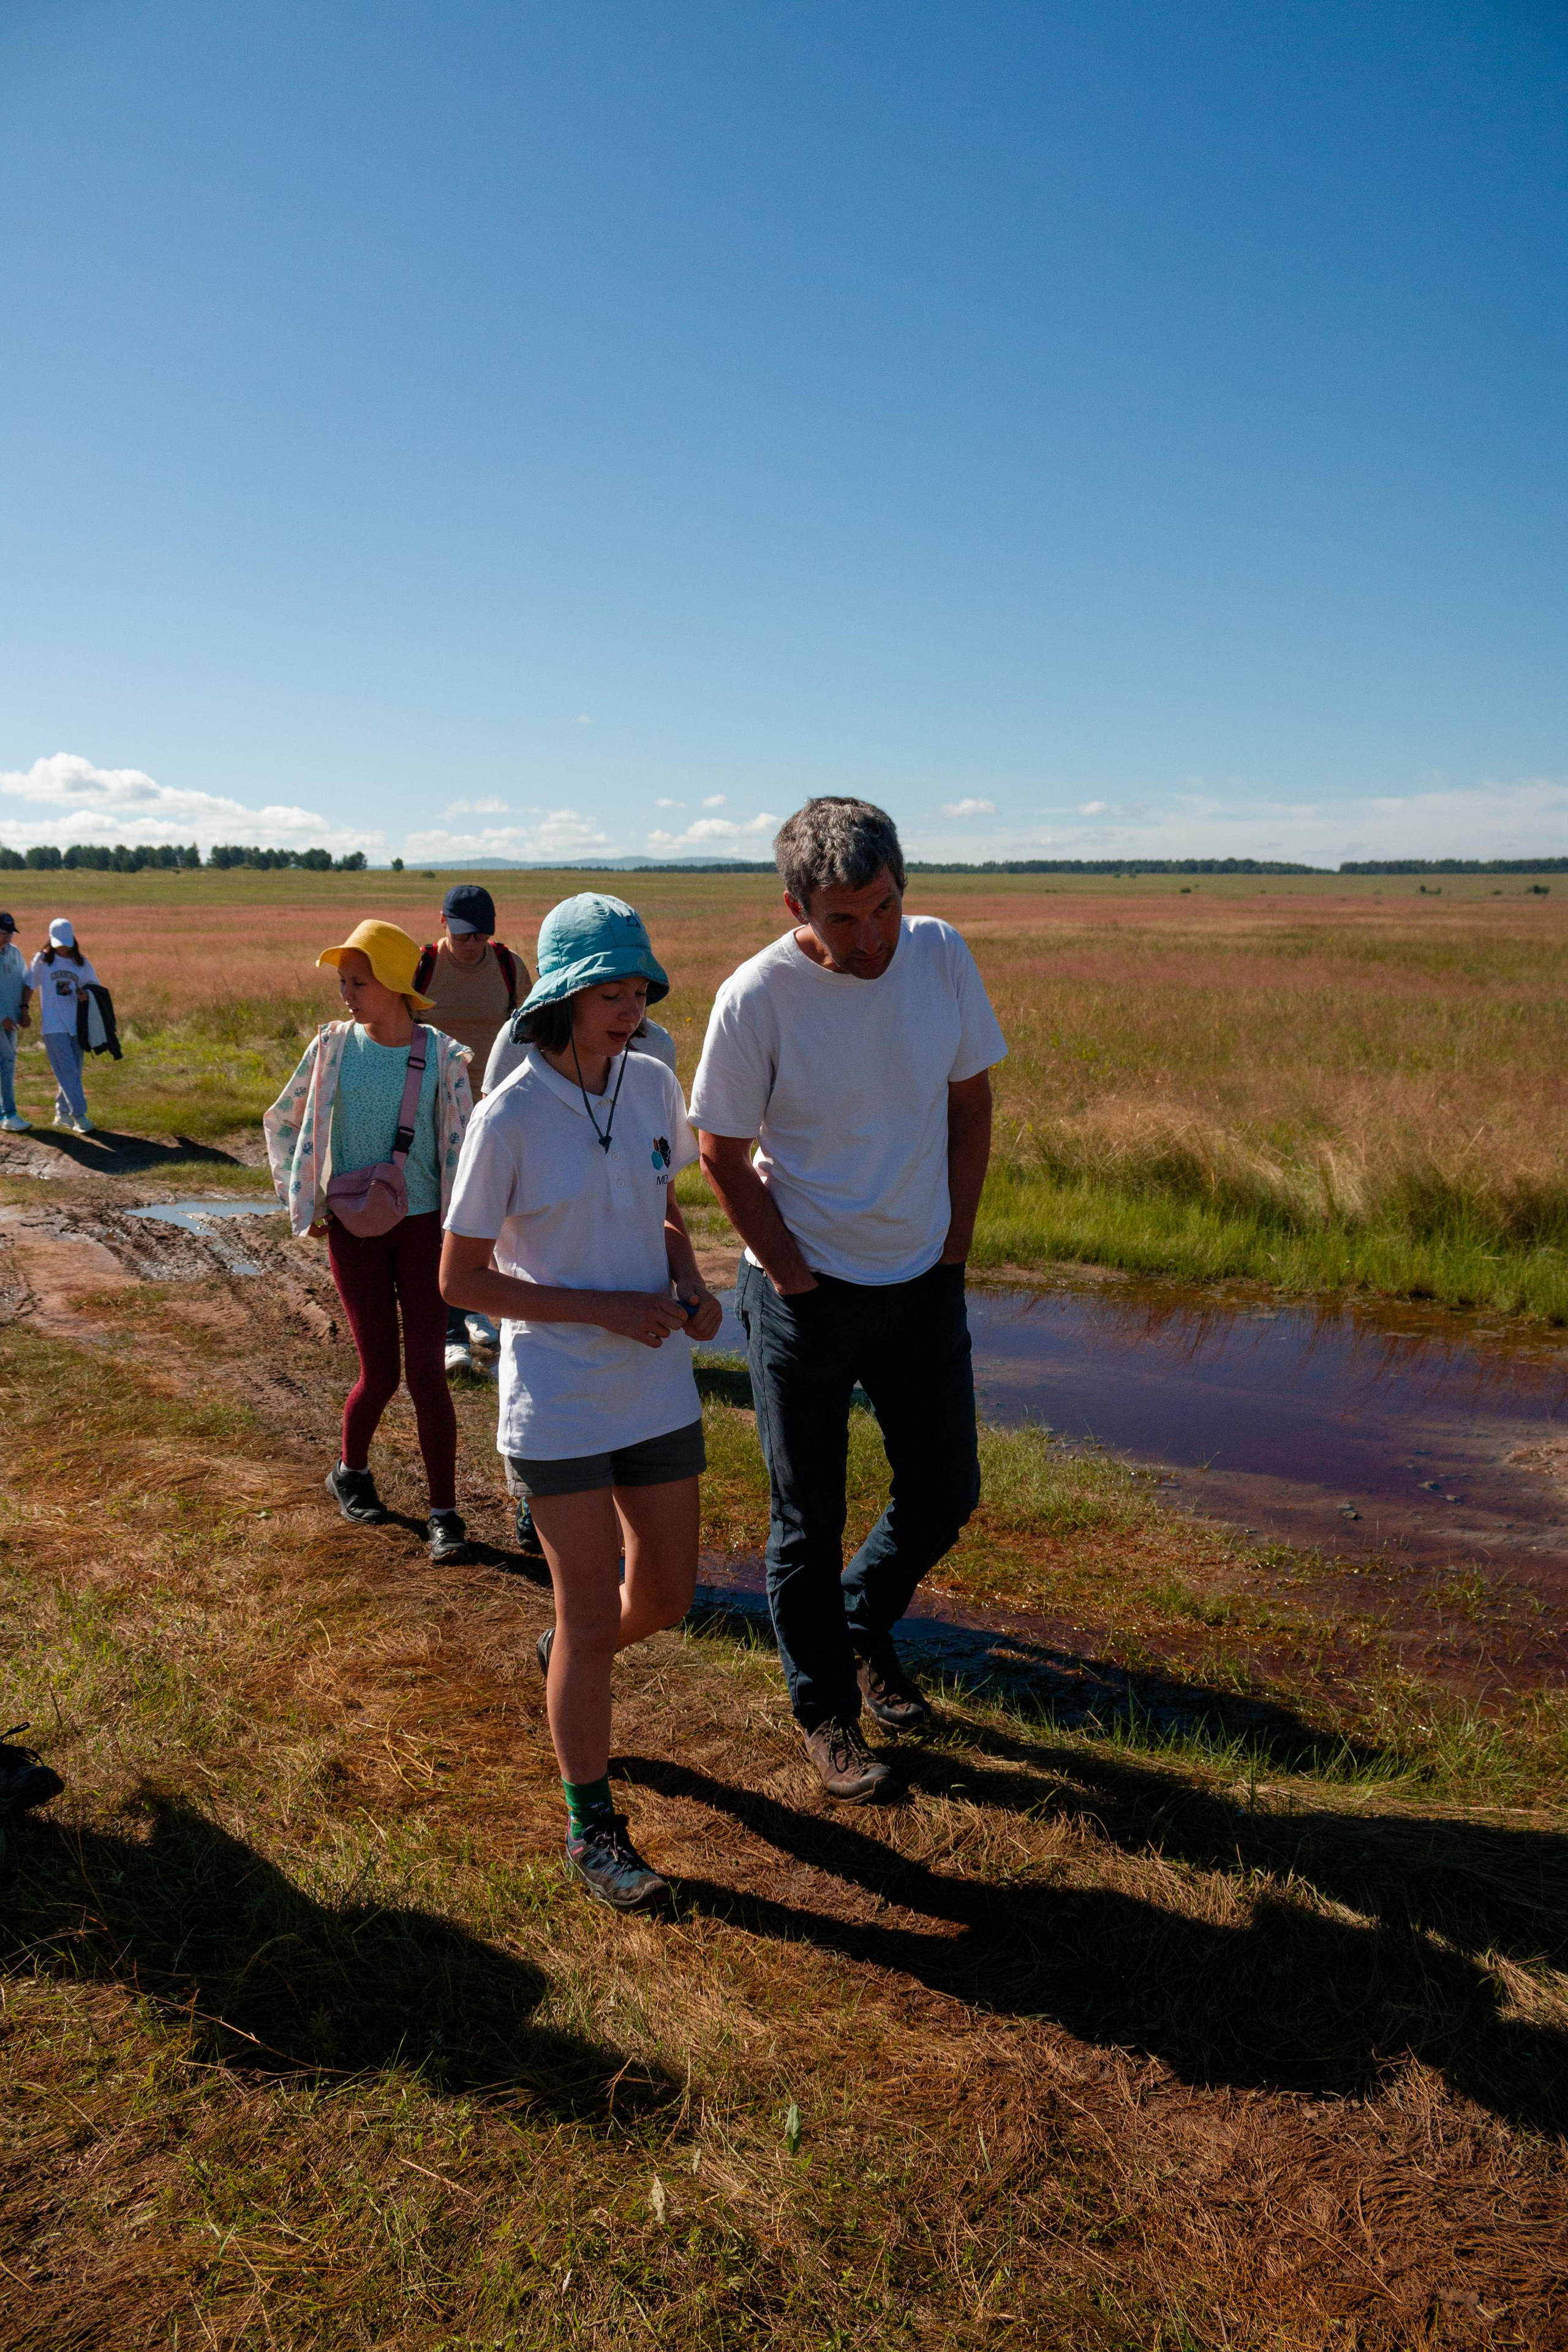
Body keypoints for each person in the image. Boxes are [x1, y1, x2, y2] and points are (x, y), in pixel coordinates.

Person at [690, 797, 1006, 1803]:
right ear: (797, 908)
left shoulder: (941, 954)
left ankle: (861, 1619)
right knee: (806, 1520)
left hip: (922, 1283)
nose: (872, 939)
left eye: (885, 909)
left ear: (904, 887)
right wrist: (790, 1273)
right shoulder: (756, 997)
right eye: (843, 920)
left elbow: (970, 1103)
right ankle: (826, 1715)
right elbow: (719, 1150)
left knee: (946, 1489)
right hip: (805, 1295)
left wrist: (954, 1244)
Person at [441, 894, 723, 1912]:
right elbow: (460, 1278)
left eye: (641, 991)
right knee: (591, 1607)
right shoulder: (509, 1116)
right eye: (612, 993)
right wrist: (601, 1308)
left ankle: (570, 1656)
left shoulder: (651, 1083)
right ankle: (591, 1825)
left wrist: (689, 1283)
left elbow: (663, 1204)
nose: (632, 1010)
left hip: (655, 1388)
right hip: (557, 1398)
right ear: (562, 997)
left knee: (668, 1597)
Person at [263, 920, 475, 1566]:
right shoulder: (331, 1047)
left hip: (425, 1230)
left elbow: (467, 1145)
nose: (346, 994)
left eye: (358, 982)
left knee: (428, 1376)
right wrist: (306, 1199)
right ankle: (351, 1473)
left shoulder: (444, 1056)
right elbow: (282, 1120)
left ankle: (445, 1516)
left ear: (393, 983)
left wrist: (468, 1227)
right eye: (343, 982)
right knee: (380, 1373)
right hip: (352, 1231)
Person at [410, 884, 531, 1375]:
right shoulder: (422, 968)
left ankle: (476, 1309)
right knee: (447, 1217)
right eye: (463, 935)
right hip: (431, 1113)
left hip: (496, 1112)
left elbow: (530, 1031)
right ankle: (451, 1335)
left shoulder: (508, 967)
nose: (472, 944)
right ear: (443, 922)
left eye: (481, 935)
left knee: (493, 1216)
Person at [23, 919, 99, 1134]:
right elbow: (30, 985)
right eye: (59, 943)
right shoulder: (42, 961)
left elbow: (94, 986)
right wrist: (24, 1008)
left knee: (74, 1071)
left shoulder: (81, 963)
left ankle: (62, 1113)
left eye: (66, 942)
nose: (63, 947)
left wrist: (86, 993)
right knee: (66, 1069)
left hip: (77, 1025)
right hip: (53, 1025)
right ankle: (80, 1116)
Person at [0, 914, 31, 1131]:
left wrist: (24, 1009)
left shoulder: (15, 953)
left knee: (7, 1063)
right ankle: (9, 1114)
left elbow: (25, 981)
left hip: (12, 1020)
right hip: (3, 1020)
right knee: (7, 1062)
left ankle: (4, 1114)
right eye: (4, 934)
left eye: (10, 934)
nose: (8, 938)